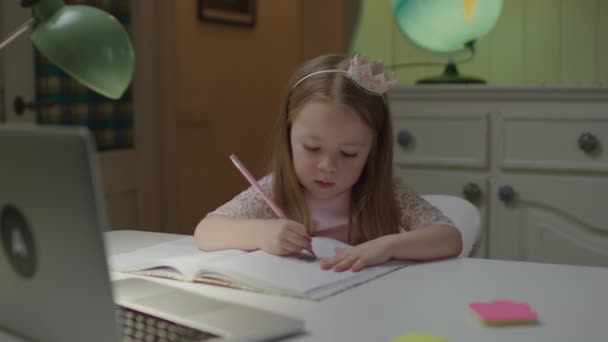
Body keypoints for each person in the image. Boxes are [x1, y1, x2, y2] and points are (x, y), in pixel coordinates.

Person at [194, 53, 462, 272]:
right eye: (312, 148)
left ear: (373, 149)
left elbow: (449, 237)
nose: (327, 166)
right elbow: (206, 231)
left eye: (348, 153)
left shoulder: (383, 193)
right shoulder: (278, 188)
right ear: (288, 136)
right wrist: (260, 233)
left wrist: (387, 246)